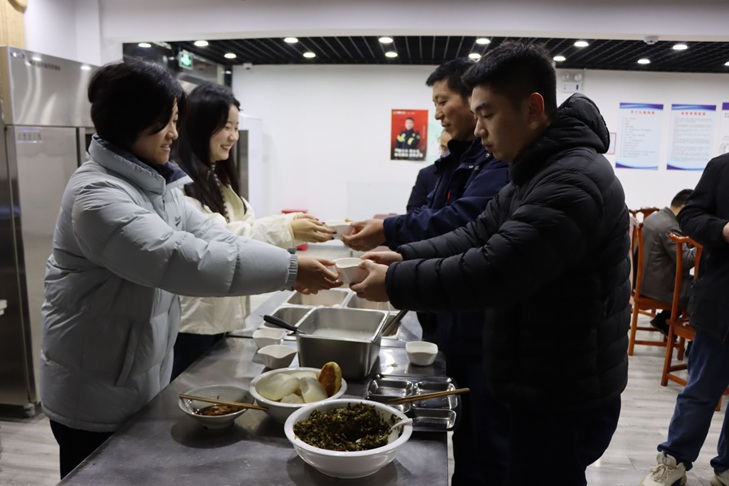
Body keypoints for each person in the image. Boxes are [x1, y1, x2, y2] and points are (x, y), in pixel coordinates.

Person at [40, 59, 339, 479]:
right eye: (164, 122)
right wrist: (289, 269)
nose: (175, 133)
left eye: (176, 120)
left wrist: (290, 263)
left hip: (132, 377)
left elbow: (216, 239)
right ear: (130, 122)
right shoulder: (97, 197)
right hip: (91, 393)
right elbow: (182, 259)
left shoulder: (156, 187)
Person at [351, 42, 630, 486]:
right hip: (535, 374)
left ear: (533, 108)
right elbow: (477, 232)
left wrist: (397, 281)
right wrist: (404, 255)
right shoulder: (535, 169)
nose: (479, 130)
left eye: (488, 114)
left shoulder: (572, 180)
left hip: (563, 389)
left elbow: (496, 269)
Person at [344, 58, 511, 486]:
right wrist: (398, 251)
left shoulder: (503, 166)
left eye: (442, 101)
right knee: (470, 439)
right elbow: (455, 230)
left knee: (489, 444)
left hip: (485, 330)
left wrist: (395, 248)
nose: (436, 114)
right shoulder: (453, 164)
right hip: (454, 319)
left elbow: (465, 226)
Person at [170, 83, 334, 379]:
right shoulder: (179, 187)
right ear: (199, 125)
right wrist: (286, 232)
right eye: (226, 127)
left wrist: (289, 233)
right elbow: (222, 239)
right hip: (194, 321)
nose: (233, 136)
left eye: (236, 127)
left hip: (220, 313)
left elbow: (242, 234)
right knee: (187, 388)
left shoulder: (215, 179)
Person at [639, 153, 729, 486]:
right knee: (701, 389)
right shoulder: (722, 167)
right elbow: (690, 216)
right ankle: (674, 460)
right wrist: (723, 229)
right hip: (722, 302)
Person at [640, 189, 696, 335]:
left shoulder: (656, 217)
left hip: (645, 282)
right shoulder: (670, 227)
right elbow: (686, 261)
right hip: (659, 287)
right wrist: (704, 245)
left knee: (694, 284)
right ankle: (693, 338)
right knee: (702, 290)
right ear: (685, 208)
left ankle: (663, 320)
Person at [405, 129, 451, 211]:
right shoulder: (426, 174)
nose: (447, 154)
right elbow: (413, 209)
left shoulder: (472, 174)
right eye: (444, 148)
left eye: (452, 149)